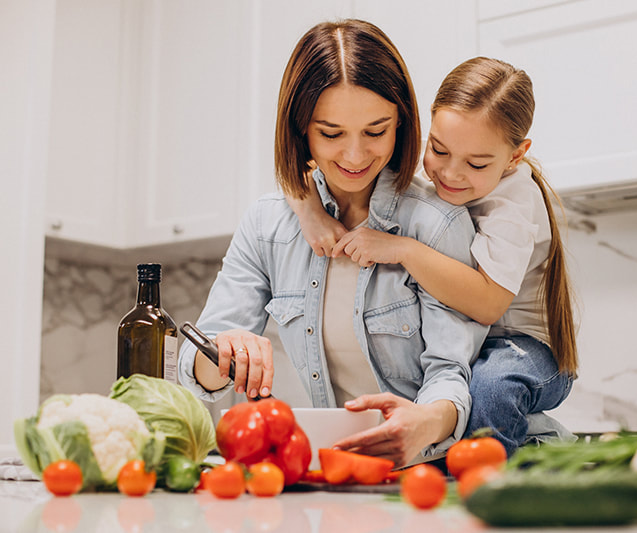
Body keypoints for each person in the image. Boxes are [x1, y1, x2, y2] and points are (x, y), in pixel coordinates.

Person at [177, 19, 488, 467]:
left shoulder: (435, 224)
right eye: (331, 133)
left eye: (376, 131)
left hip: (428, 473)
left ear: (401, 120)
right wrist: (226, 349)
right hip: (336, 474)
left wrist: (425, 422)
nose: (356, 156)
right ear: (300, 128)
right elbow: (198, 368)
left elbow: (450, 373)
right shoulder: (268, 224)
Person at [290, 57, 578, 456]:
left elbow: (488, 304)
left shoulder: (515, 204)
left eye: (477, 163)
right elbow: (299, 167)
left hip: (528, 351)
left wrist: (402, 249)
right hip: (473, 348)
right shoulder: (433, 181)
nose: (450, 173)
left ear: (515, 156)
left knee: (490, 388)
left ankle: (491, 489)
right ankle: (538, 442)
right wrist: (309, 211)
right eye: (438, 150)